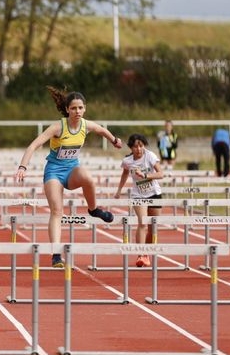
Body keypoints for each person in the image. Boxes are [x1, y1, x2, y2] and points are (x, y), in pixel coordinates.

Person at [14, 87, 123, 268]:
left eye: (80, 108)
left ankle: (93, 209)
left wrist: (114, 140)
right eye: (73, 108)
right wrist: (23, 166)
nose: (77, 112)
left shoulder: (86, 125)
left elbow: (102, 130)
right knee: (57, 211)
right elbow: (34, 145)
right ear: (67, 110)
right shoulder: (58, 127)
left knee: (88, 178)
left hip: (72, 169)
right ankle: (56, 254)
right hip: (54, 172)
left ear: (84, 109)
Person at [114, 134, 164, 267]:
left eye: (141, 146)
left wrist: (146, 175)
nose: (139, 149)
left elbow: (161, 174)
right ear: (131, 147)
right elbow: (124, 174)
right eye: (135, 146)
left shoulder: (150, 156)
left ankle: (146, 253)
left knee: (152, 226)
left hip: (154, 193)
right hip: (138, 195)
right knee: (142, 223)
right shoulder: (128, 161)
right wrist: (119, 191)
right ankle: (140, 254)